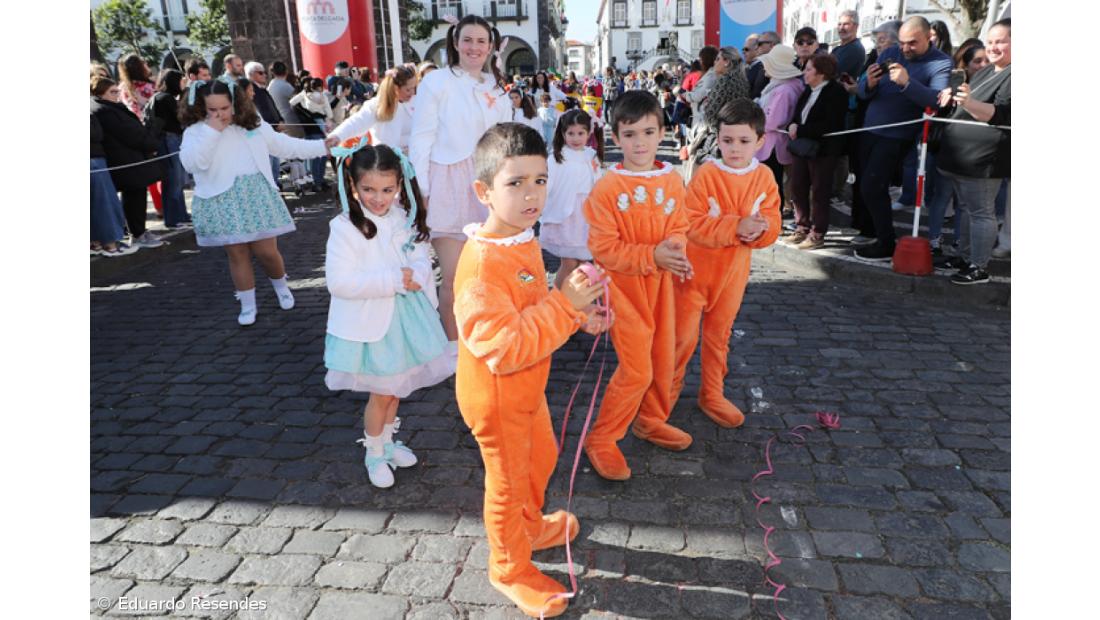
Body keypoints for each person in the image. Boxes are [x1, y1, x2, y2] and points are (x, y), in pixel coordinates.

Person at [453, 122, 609, 619]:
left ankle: (530, 525)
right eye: (515, 183)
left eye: (540, 180)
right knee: (508, 482)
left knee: (543, 455)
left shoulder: (519, 239)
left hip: (528, 386)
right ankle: (508, 566)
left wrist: (579, 315)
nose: (531, 194)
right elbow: (504, 346)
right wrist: (566, 306)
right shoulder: (479, 267)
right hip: (496, 397)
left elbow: (534, 306)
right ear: (483, 191)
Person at [323, 138, 454, 487]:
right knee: (381, 392)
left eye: (387, 189)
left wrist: (418, 273)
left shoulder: (402, 217)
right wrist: (394, 279)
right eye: (368, 189)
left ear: (399, 185)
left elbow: (420, 255)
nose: (378, 198)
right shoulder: (345, 227)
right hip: (370, 326)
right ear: (352, 185)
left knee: (395, 390)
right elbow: (340, 282)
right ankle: (374, 452)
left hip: (405, 321)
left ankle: (387, 442)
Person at [582, 90, 692, 480]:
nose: (640, 142)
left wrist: (675, 249)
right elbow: (604, 249)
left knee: (663, 358)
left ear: (663, 131)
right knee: (637, 370)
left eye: (648, 132)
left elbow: (680, 224)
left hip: (662, 286)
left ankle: (649, 419)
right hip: (624, 290)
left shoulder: (673, 179)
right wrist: (651, 257)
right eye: (630, 134)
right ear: (615, 137)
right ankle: (602, 438)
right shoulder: (607, 189)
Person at [179, 77, 329, 324]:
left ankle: (281, 287)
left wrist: (323, 147)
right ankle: (248, 304)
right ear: (200, 108)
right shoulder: (196, 132)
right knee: (237, 253)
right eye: (212, 110)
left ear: (236, 103)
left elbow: (284, 146)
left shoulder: (253, 124)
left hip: (255, 193)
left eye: (225, 108)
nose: (220, 114)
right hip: (221, 197)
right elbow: (194, 163)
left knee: (266, 251)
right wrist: (211, 132)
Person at [672, 99, 780, 425]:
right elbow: (689, 221)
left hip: (733, 274)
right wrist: (735, 227)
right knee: (681, 338)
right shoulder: (707, 174)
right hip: (693, 273)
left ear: (760, 141)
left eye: (744, 141)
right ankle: (665, 392)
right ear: (717, 138)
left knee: (720, 337)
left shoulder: (764, 177)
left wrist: (760, 233)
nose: (734, 148)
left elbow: (772, 220)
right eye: (727, 140)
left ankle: (712, 393)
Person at [408, 14, 512, 344]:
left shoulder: (496, 87)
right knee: (453, 276)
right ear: (455, 42)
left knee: (486, 274)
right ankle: (454, 349)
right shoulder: (436, 81)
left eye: (481, 41)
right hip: (448, 183)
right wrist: (422, 189)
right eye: (467, 39)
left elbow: (506, 140)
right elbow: (421, 138)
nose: (474, 47)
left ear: (491, 46)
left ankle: (483, 338)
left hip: (488, 184)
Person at [853, 16, 951, 261]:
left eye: (912, 43)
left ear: (930, 37)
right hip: (869, 130)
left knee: (872, 186)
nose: (905, 48)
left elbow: (935, 101)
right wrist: (869, 84)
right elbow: (864, 92)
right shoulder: (892, 52)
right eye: (903, 42)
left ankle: (886, 242)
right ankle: (877, 234)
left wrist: (907, 83)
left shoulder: (941, 62)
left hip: (897, 135)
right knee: (867, 186)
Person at [934, 19, 1010, 284]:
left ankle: (979, 266)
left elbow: (1001, 115)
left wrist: (969, 102)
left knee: (981, 213)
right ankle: (966, 257)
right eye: (990, 41)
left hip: (983, 160)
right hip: (961, 157)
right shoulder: (988, 71)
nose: (993, 47)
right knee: (966, 209)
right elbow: (968, 100)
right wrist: (954, 94)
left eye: (1000, 41)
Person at [90, 76, 165, 249]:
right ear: (100, 93)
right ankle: (137, 233)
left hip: (130, 158)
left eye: (117, 91)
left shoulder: (110, 108)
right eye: (112, 92)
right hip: (125, 159)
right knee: (133, 197)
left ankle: (138, 231)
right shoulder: (105, 110)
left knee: (137, 196)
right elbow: (130, 133)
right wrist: (149, 142)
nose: (117, 95)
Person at [784, 54, 849, 249]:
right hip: (802, 148)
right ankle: (802, 226)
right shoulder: (807, 90)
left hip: (823, 150)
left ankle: (818, 232)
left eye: (809, 69)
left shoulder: (836, 92)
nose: (805, 73)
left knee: (820, 191)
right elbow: (798, 114)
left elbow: (831, 123)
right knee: (798, 186)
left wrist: (800, 129)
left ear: (821, 72)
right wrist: (793, 125)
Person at [542, 108, 603, 289]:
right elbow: (547, 184)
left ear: (588, 133)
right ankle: (558, 301)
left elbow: (597, 181)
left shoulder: (591, 155)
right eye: (571, 133)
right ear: (562, 133)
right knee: (568, 263)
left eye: (580, 133)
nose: (576, 138)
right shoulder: (556, 158)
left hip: (586, 216)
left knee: (581, 264)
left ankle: (572, 301)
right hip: (567, 215)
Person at [686, 46, 749, 180]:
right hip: (735, 134)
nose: (715, 62)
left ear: (726, 62)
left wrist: (706, 105)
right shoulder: (742, 80)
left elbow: (710, 112)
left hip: (718, 136)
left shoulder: (724, 81)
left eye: (718, 59)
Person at [755, 44, 804, 215]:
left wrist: (754, 117)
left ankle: (773, 220)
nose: (763, 67)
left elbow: (772, 121)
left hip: (774, 145)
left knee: (772, 184)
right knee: (776, 183)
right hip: (777, 143)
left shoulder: (783, 89)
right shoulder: (787, 85)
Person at [328, 64, 418, 152]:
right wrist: (337, 136)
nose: (413, 92)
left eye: (414, 88)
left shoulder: (417, 100)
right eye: (408, 89)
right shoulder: (377, 104)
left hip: (415, 160)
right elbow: (357, 121)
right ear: (395, 88)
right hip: (386, 161)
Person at [91, 107, 137, 257]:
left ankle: (99, 242)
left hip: (96, 157)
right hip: (93, 159)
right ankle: (109, 244)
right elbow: (95, 134)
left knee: (101, 202)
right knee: (104, 203)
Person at [150, 69, 192, 229]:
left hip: (171, 139)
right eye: (181, 81)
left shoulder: (163, 97)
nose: (183, 84)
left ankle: (181, 215)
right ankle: (174, 218)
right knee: (173, 180)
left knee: (177, 180)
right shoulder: (166, 99)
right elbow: (181, 117)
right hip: (169, 140)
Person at [291, 77, 335, 193]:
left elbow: (292, 103)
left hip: (311, 128)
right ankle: (319, 181)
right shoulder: (322, 96)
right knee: (321, 156)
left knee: (317, 156)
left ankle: (318, 181)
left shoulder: (304, 96)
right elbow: (329, 112)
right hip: (319, 127)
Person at [244, 61, 286, 183]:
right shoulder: (254, 91)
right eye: (261, 73)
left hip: (272, 132)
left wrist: (280, 119)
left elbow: (272, 107)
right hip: (264, 133)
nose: (265, 75)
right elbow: (262, 112)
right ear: (251, 75)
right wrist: (275, 123)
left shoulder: (262, 89)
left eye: (264, 73)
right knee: (270, 167)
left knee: (275, 166)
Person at [268, 61, 303, 138]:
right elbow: (299, 100)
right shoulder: (285, 86)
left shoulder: (270, 86)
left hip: (281, 121)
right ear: (286, 71)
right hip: (292, 121)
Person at [832, 10, 866, 86]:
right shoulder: (836, 49)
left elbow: (832, 73)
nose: (841, 28)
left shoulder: (855, 49)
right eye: (839, 24)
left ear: (856, 26)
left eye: (846, 24)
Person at [749, 31, 779, 99]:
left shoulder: (778, 66)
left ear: (771, 45)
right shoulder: (761, 64)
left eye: (759, 44)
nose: (756, 47)